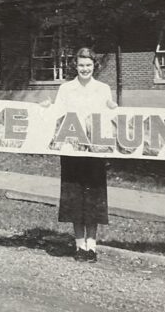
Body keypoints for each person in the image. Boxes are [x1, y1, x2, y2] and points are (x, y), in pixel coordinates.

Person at [50, 47, 117, 263]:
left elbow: (109, 114)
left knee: (94, 196)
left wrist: (114, 108)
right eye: (81, 65)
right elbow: (56, 113)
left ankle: (92, 245)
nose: (85, 69)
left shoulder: (103, 89)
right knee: (75, 196)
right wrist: (44, 107)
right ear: (75, 66)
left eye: (88, 65)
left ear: (94, 66)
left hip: (95, 152)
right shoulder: (66, 88)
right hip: (72, 150)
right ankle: (79, 244)